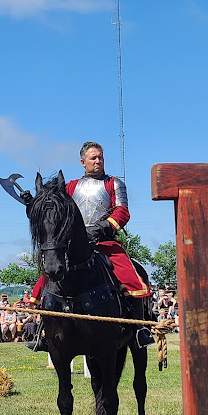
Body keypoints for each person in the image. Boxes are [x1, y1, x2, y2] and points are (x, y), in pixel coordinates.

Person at [26, 141, 154, 348]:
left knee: (131, 278)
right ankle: (44, 331)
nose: (98, 161)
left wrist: (104, 228)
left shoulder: (113, 183)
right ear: (82, 162)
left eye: (100, 157)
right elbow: (54, 207)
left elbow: (122, 211)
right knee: (48, 277)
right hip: (73, 244)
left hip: (104, 241)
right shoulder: (71, 187)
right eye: (93, 158)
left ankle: (139, 329)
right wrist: (33, 203)